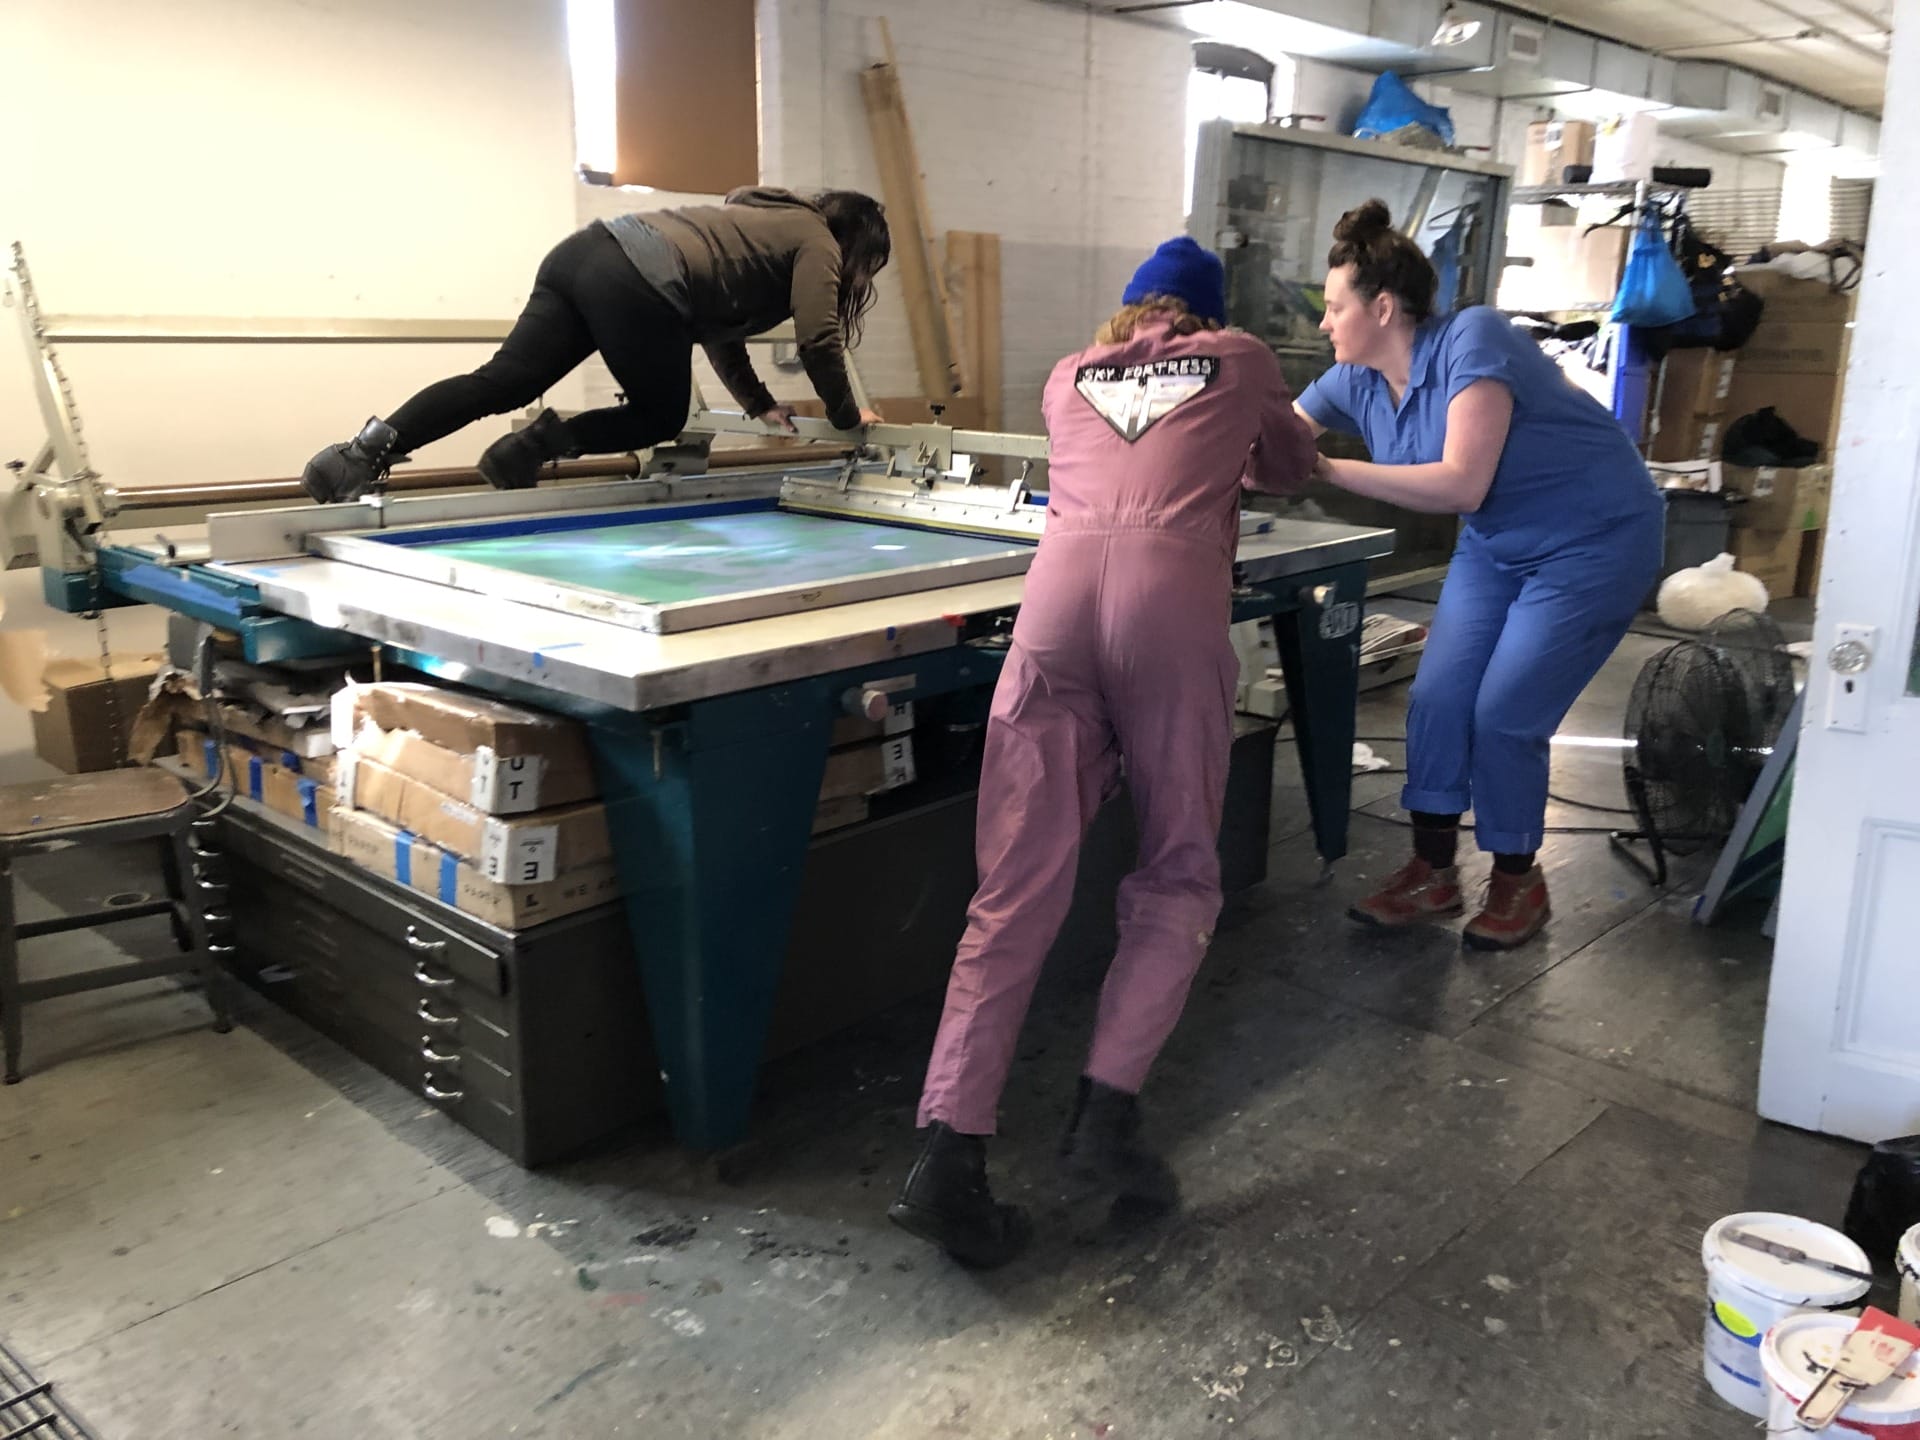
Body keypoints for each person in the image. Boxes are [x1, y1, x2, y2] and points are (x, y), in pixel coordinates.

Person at [888, 237, 1320, 1269]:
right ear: (1208, 312)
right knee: (1176, 873)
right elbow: (1292, 466)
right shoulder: (1242, 358)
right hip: (1169, 614)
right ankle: (1104, 1123)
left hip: (1054, 611)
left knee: (1013, 893)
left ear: (1126, 311)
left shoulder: (1067, 375)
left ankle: (948, 1156)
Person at [1294, 199, 1663, 951]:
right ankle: (1433, 873)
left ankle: (1518, 880)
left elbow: (1462, 483)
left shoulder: (1474, 338)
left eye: (1334, 308)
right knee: (1436, 697)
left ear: (1384, 307)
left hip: (1593, 540)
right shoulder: (1354, 380)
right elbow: (1271, 433)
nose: (1324, 324)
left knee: (1503, 711)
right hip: (1497, 544)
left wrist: (1330, 469)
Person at [300, 188, 890, 502]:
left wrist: (760, 404)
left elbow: (719, 332)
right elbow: (818, 339)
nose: (861, 280)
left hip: (585, 253)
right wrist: (847, 418)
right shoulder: (817, 241)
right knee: (660, 414)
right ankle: (533, 447)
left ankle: (355, 455)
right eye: (870, 266)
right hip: (638, 278)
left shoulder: (761, 225)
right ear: (856, 245)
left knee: (504, 381)